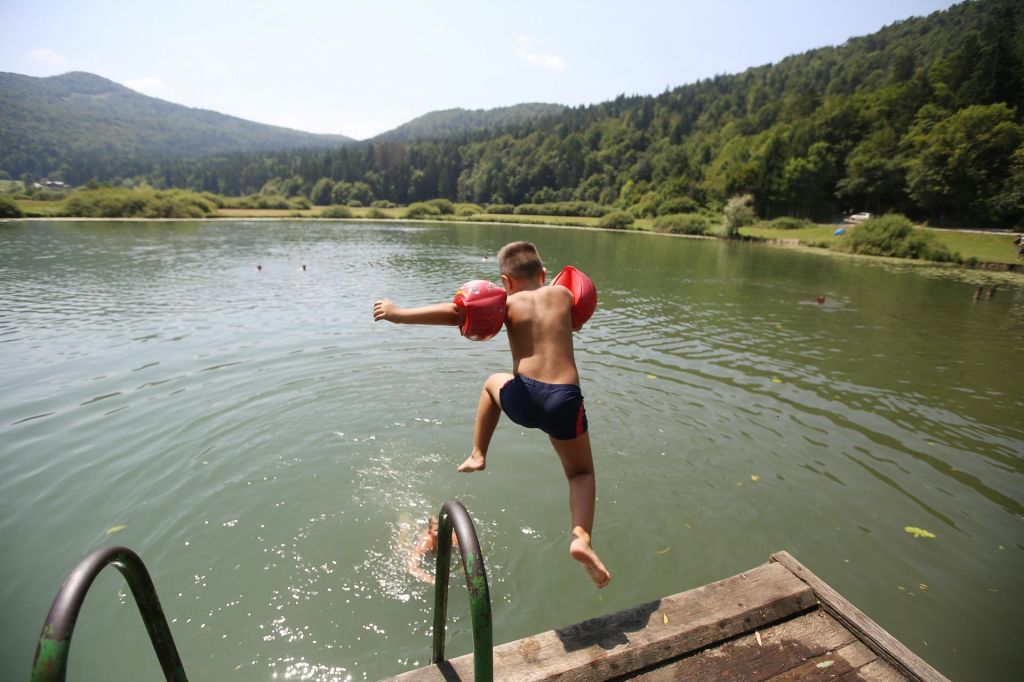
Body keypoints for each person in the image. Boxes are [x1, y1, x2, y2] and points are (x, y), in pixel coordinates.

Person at [373, 241, 611, 588]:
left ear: (505, 282)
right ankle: (581, 537)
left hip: (524, 396)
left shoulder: (508, 303)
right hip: (564, 399)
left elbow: (456, 313)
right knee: (580, 473)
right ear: (544, 275)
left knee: (491, 383)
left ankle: (478, 453)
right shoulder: (562, 295)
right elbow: (577, 319)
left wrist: (398, 313)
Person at [407, 515, 457, 584]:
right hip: (417, 539)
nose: (441, 533)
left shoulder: (454, 541)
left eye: (444, 529)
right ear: (430, 532)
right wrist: (432, 580)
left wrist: (459, 572)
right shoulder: (424, 545)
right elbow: (412, 567)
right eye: (436, 530)